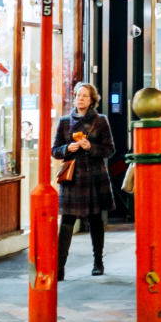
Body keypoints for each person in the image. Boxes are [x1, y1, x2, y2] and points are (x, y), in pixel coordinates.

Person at [52, 81, 114, 279]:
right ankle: (60, 266)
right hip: (73, 178)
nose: (81, 99)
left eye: (85, 96)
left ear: (92, 100)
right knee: (67, 221)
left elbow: (110, 149)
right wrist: (66, 149)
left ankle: (98, 262)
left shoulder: (101, 120)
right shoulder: (64, 121)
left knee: (96, 220)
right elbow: (54, 151)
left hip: (95, 176)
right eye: (78, 95)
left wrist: (91, 148)